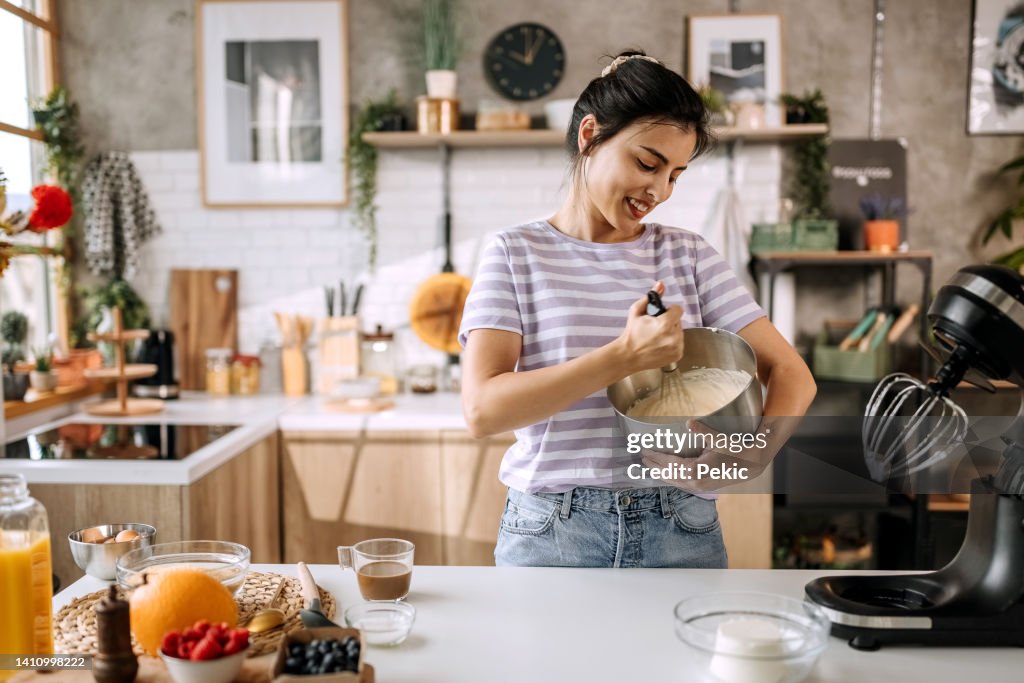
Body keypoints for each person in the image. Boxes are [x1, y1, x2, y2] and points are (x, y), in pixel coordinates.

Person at [458, 50, 816, 568]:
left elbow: (791, 373)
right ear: (589, 136)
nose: (659, 190)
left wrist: (752, 456)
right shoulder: (515, 254)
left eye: (675, 174)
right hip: (553, 530)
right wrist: (623, 357)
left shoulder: (687, 254)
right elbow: (482, 410)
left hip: (681, 523)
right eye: (647, 163)